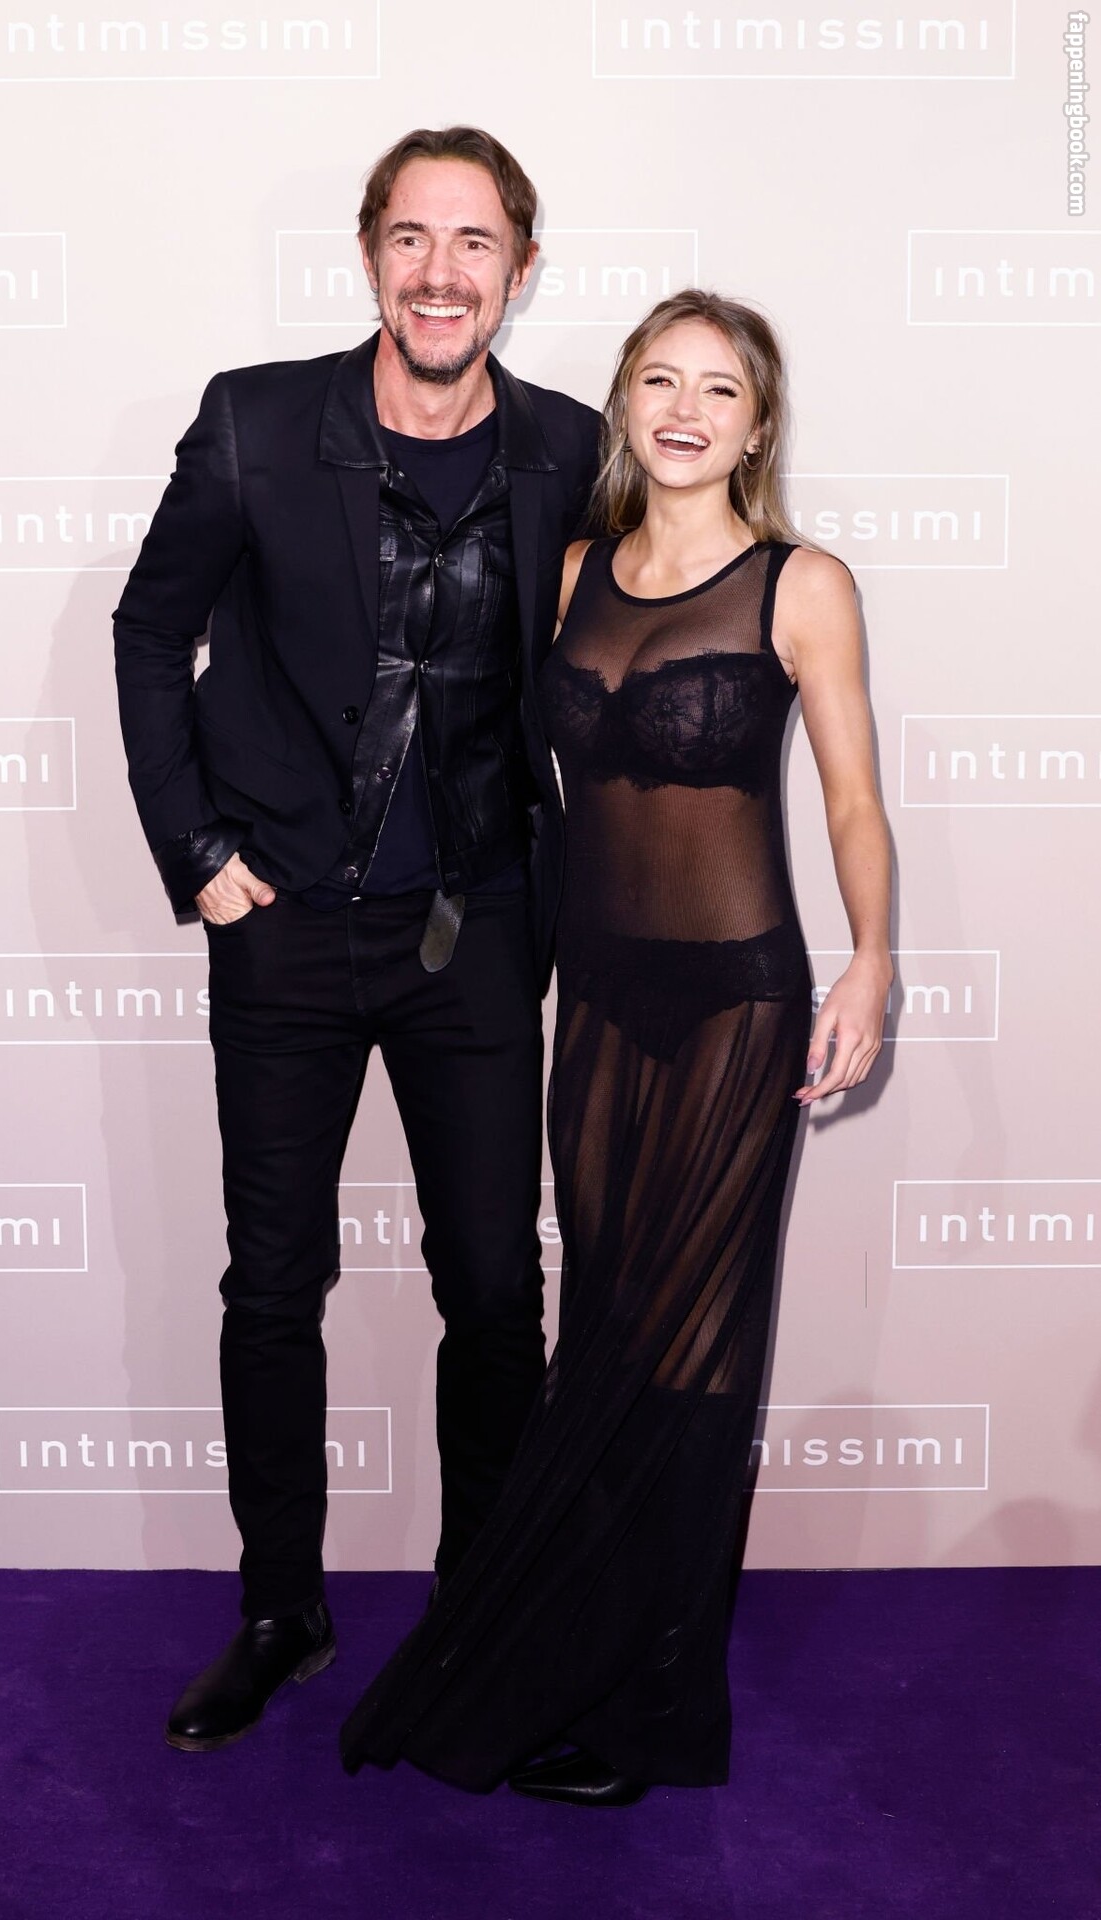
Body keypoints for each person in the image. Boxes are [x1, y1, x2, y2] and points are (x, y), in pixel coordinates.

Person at [340, 289, 893, 1805]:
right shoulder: (574, 570)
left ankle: (661, 1713)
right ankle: (565, 1659)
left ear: (757, 425)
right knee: (601, 1332)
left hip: (735, 1000)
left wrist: (872, 961)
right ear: (625, 402)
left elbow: (850, 798)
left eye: (719, 389)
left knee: (691, 1353)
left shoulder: (800, 585)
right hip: (588, 994)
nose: (684, 410)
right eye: (660, 379)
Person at [112, 127, 599, 1751]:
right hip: (285, 932)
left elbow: (653, 629)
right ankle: (281, 1610)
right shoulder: (255, 423)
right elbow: (149, 631)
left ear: (520, 269)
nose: (438, 274)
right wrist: (197, 856)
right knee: (273, 1281)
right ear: (370, 253)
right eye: (410, 238)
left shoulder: (569, 448)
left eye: (473, 243)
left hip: (477, 929)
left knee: (493, 1288)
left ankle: (483, 1606)